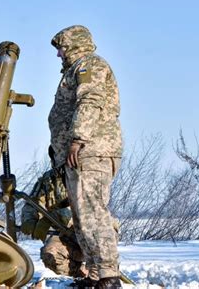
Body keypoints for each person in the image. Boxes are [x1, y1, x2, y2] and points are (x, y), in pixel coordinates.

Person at [48, 25, 123, 288]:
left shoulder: (88, 65)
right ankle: (95, 275)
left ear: (73, 45)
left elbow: (90, 99)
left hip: (91, 150)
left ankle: (108, 276)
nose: (58, 54)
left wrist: (78, 139)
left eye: (61, 48)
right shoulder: (76, 69)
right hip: (80, 154)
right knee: (82, 217)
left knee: (93, 213)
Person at [21, 147, 87, 278]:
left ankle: (103, 275)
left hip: (92, 233)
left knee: (100, 262)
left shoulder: (86, 175)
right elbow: (32, 203)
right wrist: (30, 221)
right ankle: (82, 275)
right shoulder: (49, 179)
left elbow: (89, 208)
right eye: (56, 155)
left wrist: (50, 219)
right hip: (65, 235)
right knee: (50, 254)